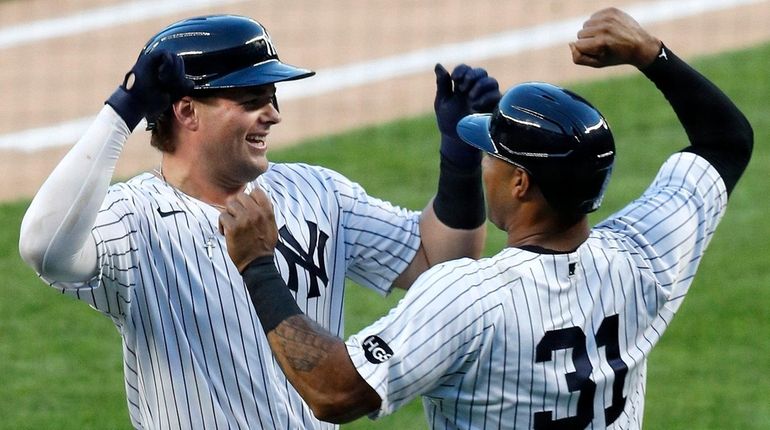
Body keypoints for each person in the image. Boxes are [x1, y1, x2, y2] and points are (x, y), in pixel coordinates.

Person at [220, 7, 753, 429]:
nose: (484, 163)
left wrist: (257, 264)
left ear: (521, 183)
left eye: (490, 152)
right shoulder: (644, 259)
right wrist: (652, 55)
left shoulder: (468, 299)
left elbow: (335, 392)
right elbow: (726, 141)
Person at [17, 14, 502, 430]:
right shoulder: (134, 219)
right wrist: (123, 109)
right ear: (187, 111)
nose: (273, 115)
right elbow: (44, 247)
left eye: (273, 97)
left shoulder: (316, 191)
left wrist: (458, 163)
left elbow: (441, 258)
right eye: (252, 100)